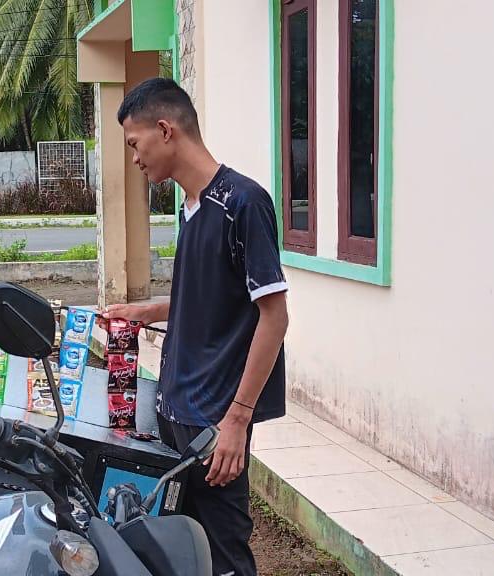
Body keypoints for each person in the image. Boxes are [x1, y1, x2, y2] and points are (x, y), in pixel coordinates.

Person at [105, 78, 290, 576]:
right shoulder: (191, 207)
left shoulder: (243, 203)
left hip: (213, 421)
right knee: (180, 550)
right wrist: (148, 311)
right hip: (176, 408)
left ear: (165, 130)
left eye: (135, 144)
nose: (135, 159)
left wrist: (237, 421)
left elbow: (274, 315)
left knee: (223, 554)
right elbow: (217, 296)